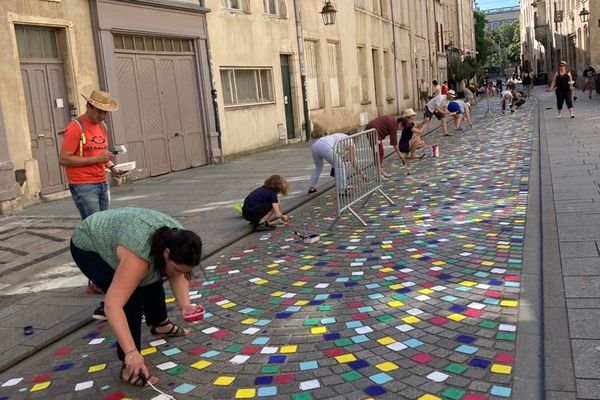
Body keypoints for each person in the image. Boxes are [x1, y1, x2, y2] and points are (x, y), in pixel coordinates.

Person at [70, 207, 203, 387]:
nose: (178, 274)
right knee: (131, 299)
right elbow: (112, 306)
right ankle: (129, 367)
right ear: (167, 253)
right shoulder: (139, 257)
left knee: (154, 274)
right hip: (89, 244)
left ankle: (160, 324)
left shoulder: (179, 240)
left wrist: (185, 305)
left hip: (123, 234)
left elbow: (176, 273)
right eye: (177, 268)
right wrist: (132, 352)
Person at [59, 89, 124, 317]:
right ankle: (96, 279)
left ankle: (99, 278)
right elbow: (64, 158)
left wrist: (112, 168)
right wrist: (96, 159)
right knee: (94, 234)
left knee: (104, 232)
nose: (103, 117)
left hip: (101, 183)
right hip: (83, 185)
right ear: (90, 107)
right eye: (100, 112)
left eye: (106, 113)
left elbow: (102, 153)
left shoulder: (102, 127)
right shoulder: (75, 127)